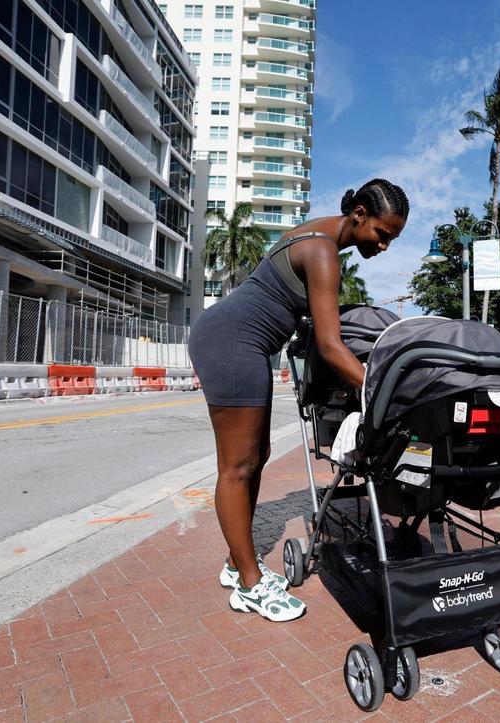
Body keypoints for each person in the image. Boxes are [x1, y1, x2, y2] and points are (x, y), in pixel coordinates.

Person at [188, 179, 410, 622]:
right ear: (360, 214)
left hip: (241, 340)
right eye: (382, 234)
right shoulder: (325, 252)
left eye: (392, 239)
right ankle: (249, 582)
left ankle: (237, 563)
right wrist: (380, 391)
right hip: (234, 341)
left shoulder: (315, 233)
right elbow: (330, 346)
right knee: (237, 466)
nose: (385, 246)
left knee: (259, 454)